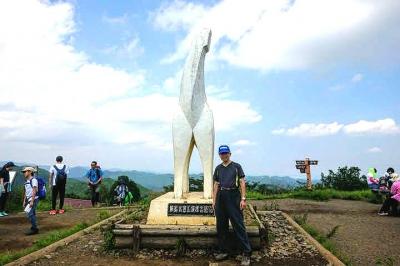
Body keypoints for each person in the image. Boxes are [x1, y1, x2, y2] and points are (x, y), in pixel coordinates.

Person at [212, 145, 251, 266]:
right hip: (221, 197)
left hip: (234, 195)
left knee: (238, 224)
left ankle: (246, 252)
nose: (224, 155)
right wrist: (214, 201)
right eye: (222, 154)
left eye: (226, 153)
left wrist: (243, 199)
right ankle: (224, 251)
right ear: (219, 155)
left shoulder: (236, 166)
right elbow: (216, 185)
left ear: (230, 154)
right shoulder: (218, 168)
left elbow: (242, 182)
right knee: (221, 225)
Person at [22, 166, 39, 235]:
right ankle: (34, 227)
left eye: (25, 172)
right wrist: (24, 201)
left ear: (30, 172)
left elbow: (34, 190)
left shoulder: (34, 180)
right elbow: (26, 192)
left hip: (33, 199)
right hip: (29, 199)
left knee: (30, 214)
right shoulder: (27, 181)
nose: (24, 173)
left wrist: (32, 201)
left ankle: (35, 229)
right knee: (32, 214)